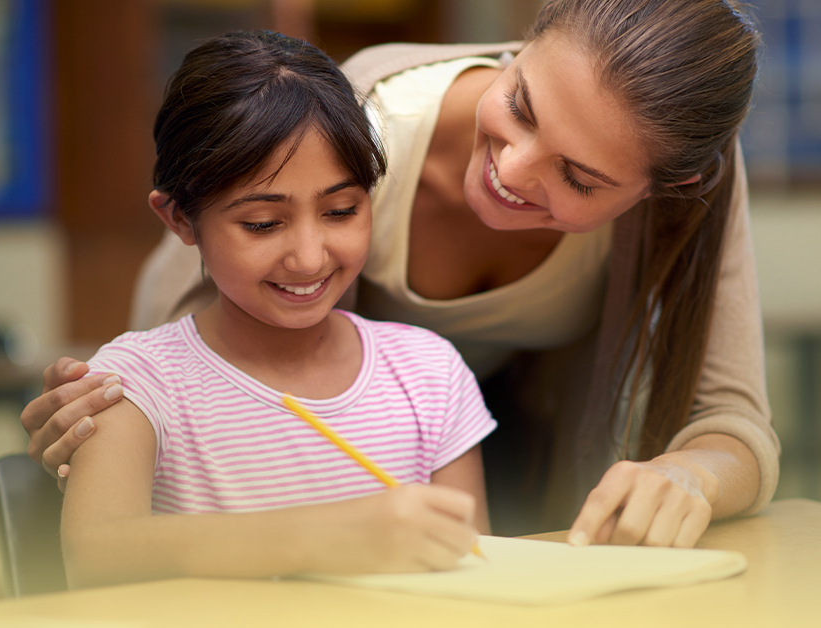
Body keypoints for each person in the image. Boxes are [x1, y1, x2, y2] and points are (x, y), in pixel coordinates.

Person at [26, 0, 780, 549]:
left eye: (579, 179)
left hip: (480, 468)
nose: (510, 172)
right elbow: (197, 377)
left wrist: (695, 475)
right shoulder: (337, 128)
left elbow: (734, 422)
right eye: (519, 104)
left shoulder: (434, 374)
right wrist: (117, 423)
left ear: (666, 189)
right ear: (521, 41)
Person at [60, 31, 495, 588]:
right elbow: (96, 556)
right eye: (263, 224)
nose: (310, 257)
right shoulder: (137, 383)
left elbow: (476, 574)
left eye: (341, 211)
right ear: (180, 220)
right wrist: (323, 535)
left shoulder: (429, 374)